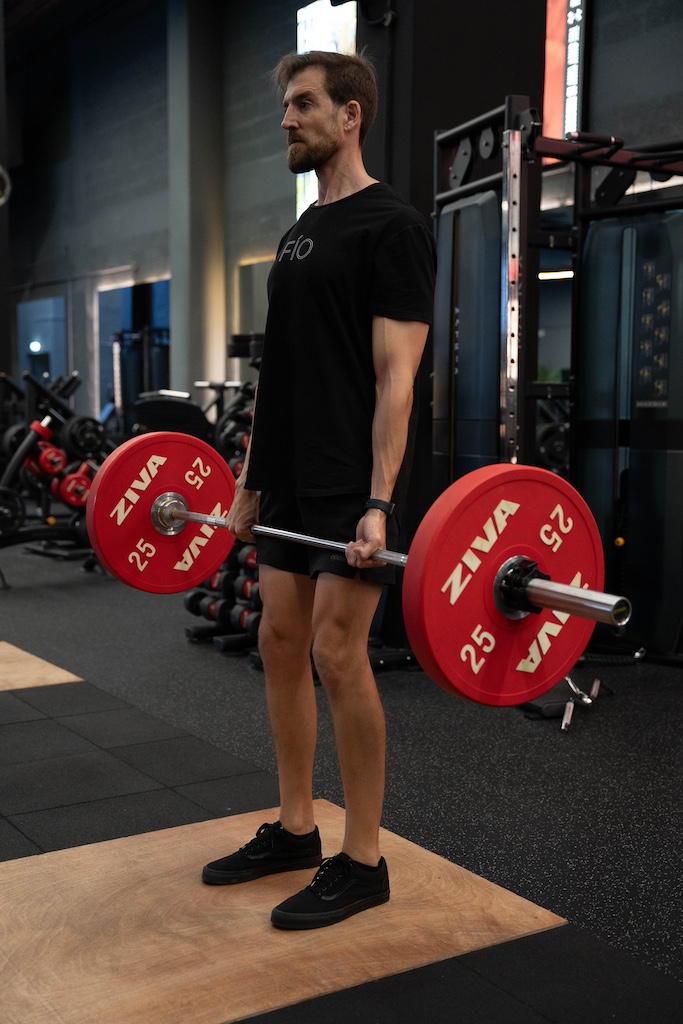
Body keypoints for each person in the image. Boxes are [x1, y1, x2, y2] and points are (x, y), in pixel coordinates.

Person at [202, 49, 436, 930]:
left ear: (352, 115)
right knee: (278, 641)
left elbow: (395, 377)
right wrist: (251, 478)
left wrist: (378, 500)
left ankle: (364, 859)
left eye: (302, 105)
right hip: (288, 476)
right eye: (286, 106)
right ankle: (297, 826)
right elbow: (279, 370)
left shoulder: (394, 226)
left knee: (339, 658)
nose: (287, 120)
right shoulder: (302, 231)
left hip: (348, 478)